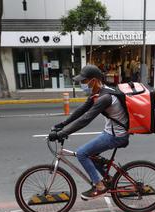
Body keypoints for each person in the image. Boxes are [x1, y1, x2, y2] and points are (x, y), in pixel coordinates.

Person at [49, 64, 129, 200]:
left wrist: (63, 133)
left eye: (84, 81)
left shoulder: (105, 97)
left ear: (94, 80)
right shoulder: (98, 92)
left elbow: (86, 119)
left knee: (82, 153)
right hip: (110, 132)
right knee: (91, 155)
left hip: (116, 136)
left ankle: (99, 186)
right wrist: (61, 125)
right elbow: (81, 110)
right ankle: (108, 179)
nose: (82, 84)